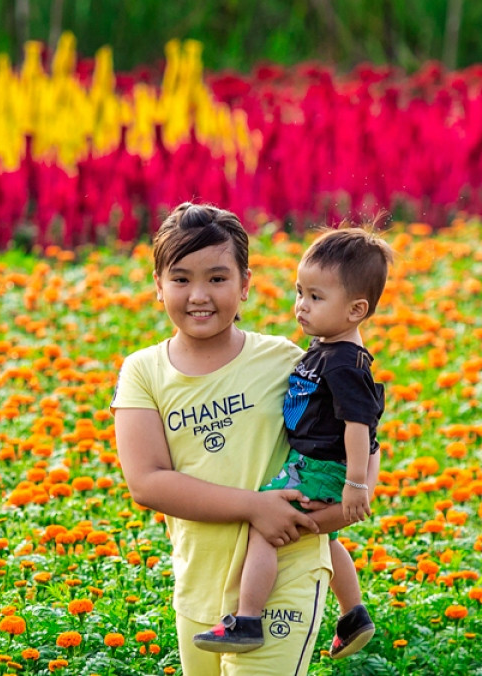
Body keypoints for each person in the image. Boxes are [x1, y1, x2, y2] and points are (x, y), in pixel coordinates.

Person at [113, 202, 378, 676]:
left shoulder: (284, 360)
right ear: (158, 285)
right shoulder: (143, 372)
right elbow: (146, 483)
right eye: (180, 279)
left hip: (287, 572)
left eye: (217, 278)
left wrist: (346, 500)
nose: (199, 295)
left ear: (246, 285)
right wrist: (256, 507)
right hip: (199, 578)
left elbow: (358, 433)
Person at [192, 224, 393, 660]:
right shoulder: (327, 347)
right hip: (318, 464)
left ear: (357, 309)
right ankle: (353, 613)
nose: (301, 306)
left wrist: (356, 485)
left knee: (265, 528)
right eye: (300, 292)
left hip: (319, 466)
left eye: (316, 298)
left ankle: (246, 619)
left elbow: (360, 427)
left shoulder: (345, 364)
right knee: (322, 539)